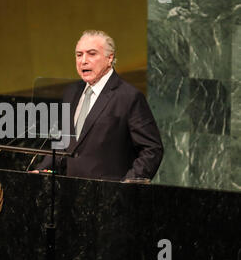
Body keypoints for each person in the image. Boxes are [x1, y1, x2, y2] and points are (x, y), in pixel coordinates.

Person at [35, 30, 163, 181]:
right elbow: (65, 144)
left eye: (91, 54)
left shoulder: (128, 97)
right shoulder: (71, 93)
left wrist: (126, 186)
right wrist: (41, 171)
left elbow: (152, 149)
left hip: (108, 198)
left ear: (110, 58)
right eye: (79, 55)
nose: (83, 61)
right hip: (69, 194)